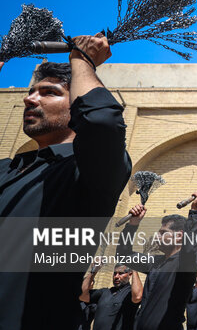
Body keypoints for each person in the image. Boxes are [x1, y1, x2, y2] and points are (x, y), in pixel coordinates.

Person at [0, 35, 132, 329]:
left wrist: (82, 61)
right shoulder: (8, 169)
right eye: (32, 91)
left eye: (48, 92)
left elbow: (102, 122)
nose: (29, 98)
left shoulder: (88, 175)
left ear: (77, 106)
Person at [117, 189, 197, 330]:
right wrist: (132, 225)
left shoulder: (184, 264)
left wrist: (194, 211)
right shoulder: (156, 262)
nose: (157, 236)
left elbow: (189, 249)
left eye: (163, 233)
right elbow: (123, 255)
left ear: (179, 236)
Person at [79, 263, 143, 330]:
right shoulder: (104, 292)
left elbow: (138, 297)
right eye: (115, 273)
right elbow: (82, 295)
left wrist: (134, 269)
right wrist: (94, 270)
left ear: (129, 275)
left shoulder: (129, 293)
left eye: (120, 273)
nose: (116, 276)